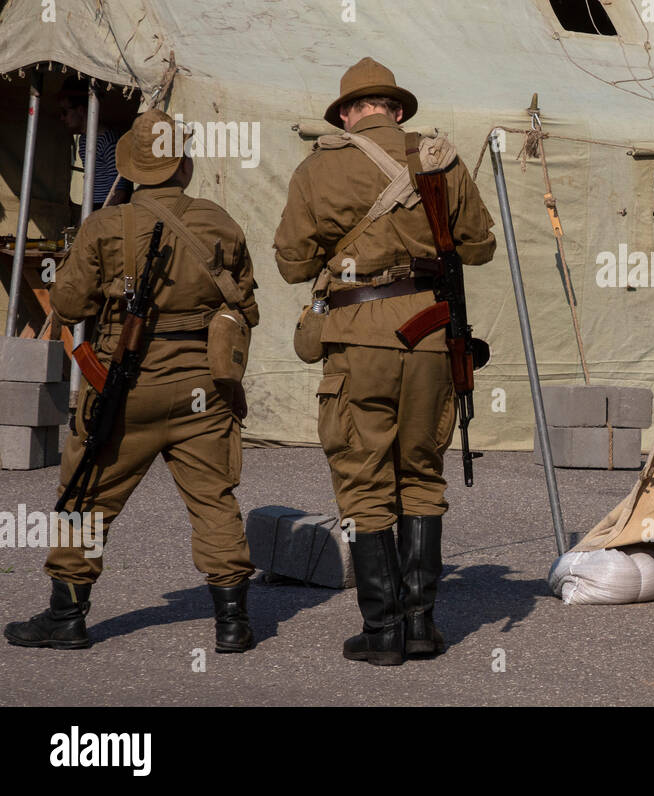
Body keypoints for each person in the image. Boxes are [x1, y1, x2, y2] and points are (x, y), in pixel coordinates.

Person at [3, 109, 261, 653]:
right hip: (203, 386)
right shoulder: (220, 223)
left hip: (124, 384)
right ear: (184, 163)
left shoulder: (105, 224)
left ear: (135, 168)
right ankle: (233, 622)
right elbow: (246, 304)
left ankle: (66, 617)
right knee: (214, 500)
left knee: (86, 497)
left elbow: (69, 304)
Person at [274, 58, 496, 666]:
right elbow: (480, 247)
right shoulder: (441, 158)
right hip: (429, 334)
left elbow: (293, 264)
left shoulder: (319, 166)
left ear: (347, 114)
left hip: (356, 337)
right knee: (422, 476)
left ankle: (383, 632)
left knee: (365, 478)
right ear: (397, 110)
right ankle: (422, 625)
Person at [59, 88, 130, 209]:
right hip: (93, 206)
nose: (62, 117)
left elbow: (119, 191)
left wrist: (100, 218)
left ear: (81, 110)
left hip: (107, 209)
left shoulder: (108, 141)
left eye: (64, 112)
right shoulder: (83, 141)